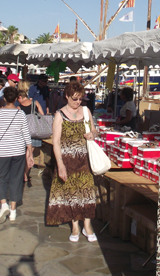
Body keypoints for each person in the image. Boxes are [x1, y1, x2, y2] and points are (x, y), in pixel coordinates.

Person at [46, 81, 98, 242]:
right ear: (67, 97)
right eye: (74, 99)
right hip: (67, 160)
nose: (77, 102)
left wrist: (93, 134)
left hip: (85, 160)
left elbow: (94, 130)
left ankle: (87, 225)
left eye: (80, 99)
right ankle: (75, 226)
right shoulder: (59, 115)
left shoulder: (86, 111)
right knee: (72, 193)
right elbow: (56, 141)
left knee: (87, 192)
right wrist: (60, 164)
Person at [0, 87, 34, 223]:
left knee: (1, 178)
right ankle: (13, 211)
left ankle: (3, 203)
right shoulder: (20, 114)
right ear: (17, 98)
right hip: (18, 151)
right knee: (16, 179)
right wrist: (29, 151)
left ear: (4, 98)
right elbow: (26, 134)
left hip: (3, 152)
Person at [17, 80, 44, 181]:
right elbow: (42, 115)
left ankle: (23, 173)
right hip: (35, 131)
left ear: (20, 97)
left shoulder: (19, 107)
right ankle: (26, 173)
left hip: (24, 132)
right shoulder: (35, 103)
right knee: (30, 153)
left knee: (24, 153)